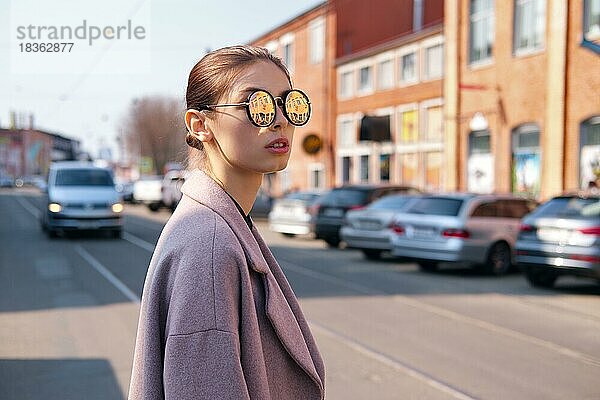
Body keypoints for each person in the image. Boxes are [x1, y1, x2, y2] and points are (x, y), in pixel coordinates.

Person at [128, 45, 324, 399]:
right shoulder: (211, 246)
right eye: (257, 106)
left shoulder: (224, 222)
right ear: (200, 125)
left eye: (288, 103)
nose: (279, 120)